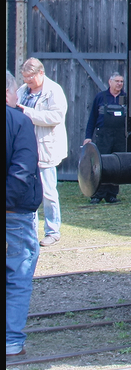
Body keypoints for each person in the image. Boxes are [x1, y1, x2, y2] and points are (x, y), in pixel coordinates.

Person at [7, 70, 43, 358]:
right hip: (13, 212)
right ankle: (10, 340)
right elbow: (22, 171)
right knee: (17, 275)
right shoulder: (20, 122)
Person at [15, 58, 68, 247]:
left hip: (46, 148)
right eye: (25, 77)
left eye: (30, 77)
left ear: (41, 73)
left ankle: (53, 231)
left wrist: (27, 113)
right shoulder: (22, 91)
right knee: (28, 191)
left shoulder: (54, 91)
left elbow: (56, 116)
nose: (27, 81)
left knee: (48, 193)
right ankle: (30, 230)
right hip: (25, 149)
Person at [84, 72, 127, 204]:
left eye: (121, 82)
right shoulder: (100, 97)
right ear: (110, 82)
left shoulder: (125, 98)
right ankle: (97, 194)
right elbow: (92, 118)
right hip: (103, 136)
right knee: (100, 164)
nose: (119, 84)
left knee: (117, 165)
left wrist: (129, 133)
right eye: (117, 81)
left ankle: (111, 194)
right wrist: (88, 137)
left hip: (119, 136)